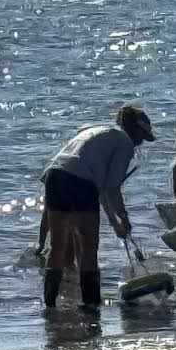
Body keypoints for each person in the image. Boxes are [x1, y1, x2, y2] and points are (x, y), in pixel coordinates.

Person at [40, 105, 155, 309]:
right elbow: (111, 188)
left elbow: (101, 189)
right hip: (80, 182)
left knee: (57, 245)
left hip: (54, 176)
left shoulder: (95, 132)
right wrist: (124, 218)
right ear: (134, 129)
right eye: (142, 137)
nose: (140, 143)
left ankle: (49, 305)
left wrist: (115, 222)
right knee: (89, 248)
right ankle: (91, 304)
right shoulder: (125, 143)